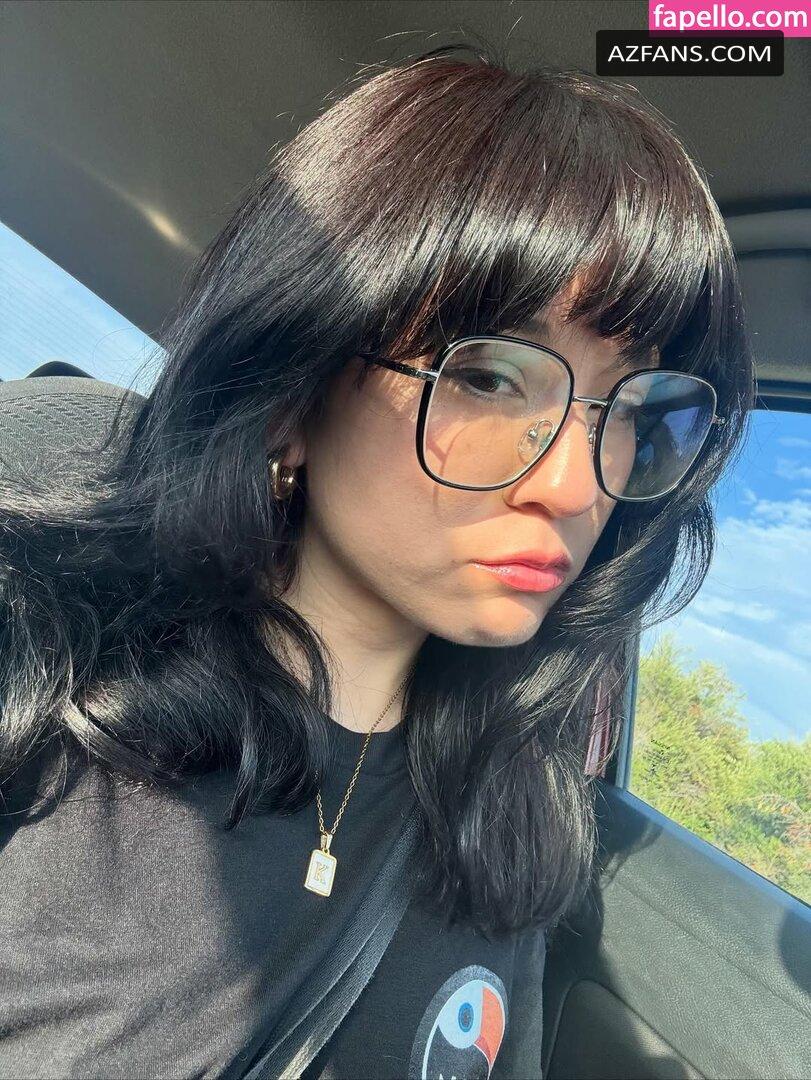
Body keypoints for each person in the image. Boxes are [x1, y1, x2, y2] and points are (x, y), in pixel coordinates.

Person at [0, 42, 755, 1080]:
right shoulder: (45, 690)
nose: (576, 485)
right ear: (294, 391)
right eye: (489, 377)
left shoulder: (516, 814)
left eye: (630, 407)